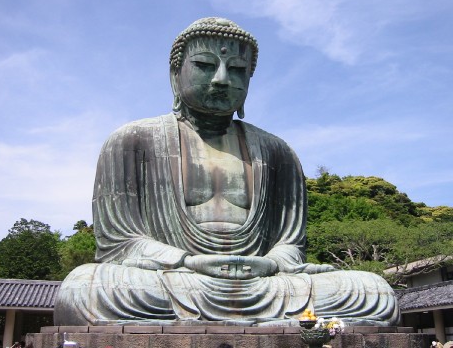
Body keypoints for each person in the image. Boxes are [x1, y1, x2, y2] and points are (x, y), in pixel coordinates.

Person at [54, 17, 399, 326]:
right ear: (176, 75)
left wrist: (270, 263)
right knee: (86, 288)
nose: (221, 79)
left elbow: (290, 244)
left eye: (236, 70)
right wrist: (187, 261)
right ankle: (285, 324)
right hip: (177, 278)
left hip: (265, 282)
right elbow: (120, 243)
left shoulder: (277, 151)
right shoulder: (132, 141)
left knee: (372, 290)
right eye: (205, 65)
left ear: (249, 79)